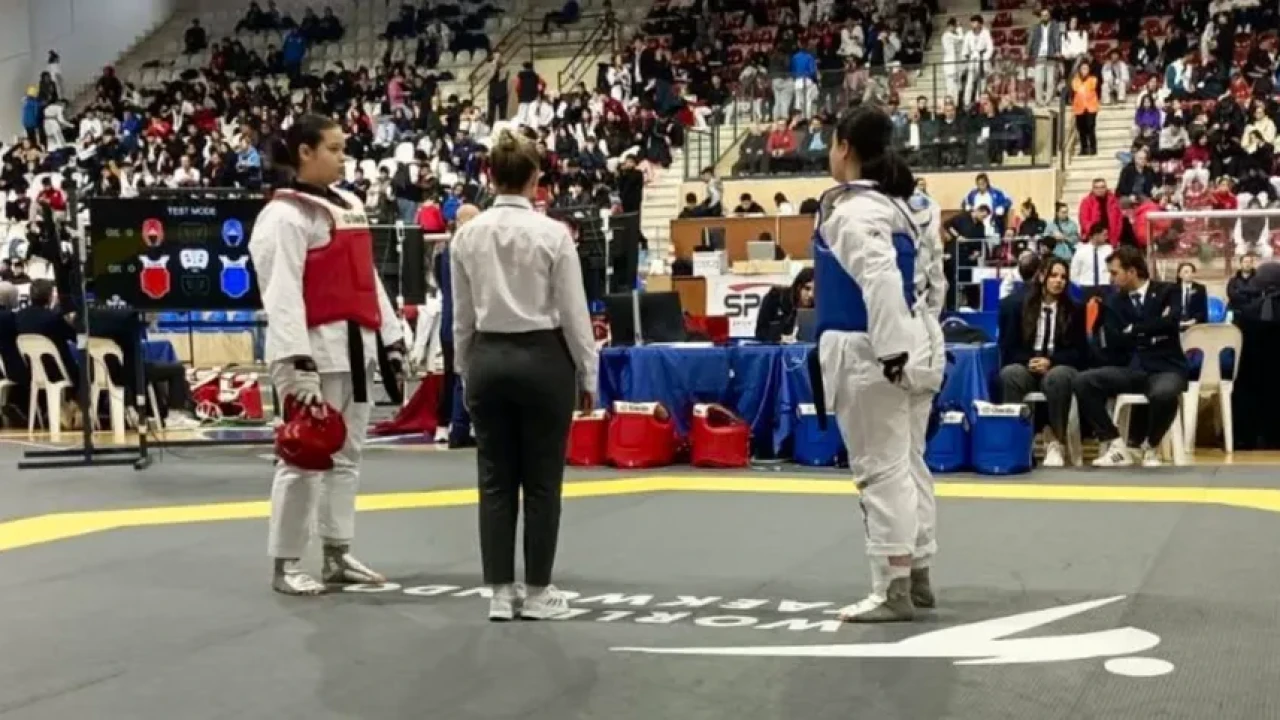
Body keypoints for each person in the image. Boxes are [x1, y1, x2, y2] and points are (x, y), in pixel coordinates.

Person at [249, 114, 406, 595]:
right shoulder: (283, 216)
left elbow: (366, 277)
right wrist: (296, 363)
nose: (343, 158)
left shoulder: (349, 206)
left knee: (347, 455)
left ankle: (337, 552)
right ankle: (286, 563)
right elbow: (281, 293)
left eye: (343, 149)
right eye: (334, 149)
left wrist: (392, 337)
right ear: (305, 152)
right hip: (312, 350)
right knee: (304, 454)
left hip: (356, 346)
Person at [451, 129, 598, 622]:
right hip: (542, 359)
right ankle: (537, 592)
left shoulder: (466, 235)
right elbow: (575, 314)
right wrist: (588, 373)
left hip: (488, 356)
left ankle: (499, 591)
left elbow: (461, 318)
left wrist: (464, 370)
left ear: (489, 176)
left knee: (494, 480)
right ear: (536, 178)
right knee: (542, 482)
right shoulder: (553, 234)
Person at [813, 106, 943, 623]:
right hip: (913, 342)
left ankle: (893, 585)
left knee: (881, 468)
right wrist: (919, 338)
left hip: (872, 351)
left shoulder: (857, 211)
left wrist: (892, 351)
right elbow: (933, 282)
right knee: (909, 462)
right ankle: (918, 571)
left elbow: (881, 278)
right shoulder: (910, 206)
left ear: (844, 147)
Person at [1072, 246, 1187, 467]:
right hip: (1131, 368)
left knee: (1164, 394)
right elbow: (1115, 339)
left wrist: (1134, 329)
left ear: (1132, 271)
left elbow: (1171, 323)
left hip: (1166, 367)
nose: (1111, 279)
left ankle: (1150, 446)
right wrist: (1153, 328)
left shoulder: (1167, 291)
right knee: (1082, 381)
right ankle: (1115, 443)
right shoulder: (1113, 301)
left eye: (1115, 273)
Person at [997, 257, 1087, 467]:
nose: (1059, 281)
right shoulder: (1015, 305)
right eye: (1053, 275)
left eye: (1063, 277)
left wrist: (1051, 362)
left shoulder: (1074, 309)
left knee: (1058, 377)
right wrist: (1028, 361)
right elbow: (1007, 347)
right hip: (1026, 364)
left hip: (1058, 365)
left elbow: (1080, 352)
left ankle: (1056, 441)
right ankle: (1016, 441)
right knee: (1010, 374)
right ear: (1041, 277)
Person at [432, 203, 479, 443]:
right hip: (464, 319)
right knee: (462, 375)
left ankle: (446, 424)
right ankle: (458, 425)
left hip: (450, 319)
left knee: (452, 374)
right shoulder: (467, 249)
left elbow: (441, 284)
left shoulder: (444, 250)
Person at [754, 268, 815, 342]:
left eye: (815, 290)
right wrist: (780, 337)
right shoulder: (775, 298)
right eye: (807, 288)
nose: (811, 295)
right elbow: (760, 333)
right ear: (798, 287)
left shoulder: (818, 308)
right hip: (777, 348)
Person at [1070, 222, 1113, 295]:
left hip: (1105, 286)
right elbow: (1074, 272)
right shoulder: (1081, 251)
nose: (1107, 237)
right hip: (1086, 286)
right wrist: (1078, 289)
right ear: (1096, 235)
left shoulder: (1109, 250)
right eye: (1104, 235)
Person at [1072, 62, 1099, 156]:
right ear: (1079, 70)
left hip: (1091, 107)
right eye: (1082, 68)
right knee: (1081, 129)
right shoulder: (1075, 80)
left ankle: (1093, 148)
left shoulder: (1093, 79)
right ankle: (1084, 148)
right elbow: (1076, 89)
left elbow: (1092, 87)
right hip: (1079, 107)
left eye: (1086, 68)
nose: (1084, 71)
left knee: (1090, 127)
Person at [1174, 262, 1208, 326]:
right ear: (1179, 275)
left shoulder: (1200, 288)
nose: (1190, 274)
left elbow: (1202, 310)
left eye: (1192, 272)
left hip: (1194, 322)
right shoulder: (1173, 289)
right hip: (1176, 321)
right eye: (1186, 272)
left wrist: (1194, 320)